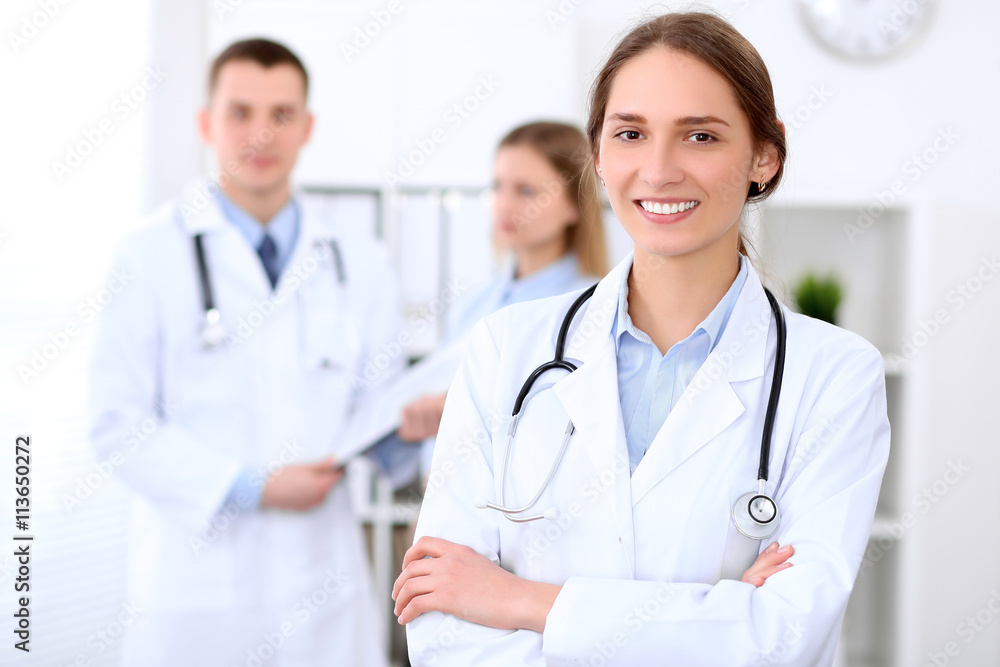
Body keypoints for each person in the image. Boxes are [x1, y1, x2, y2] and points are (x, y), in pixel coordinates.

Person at [393, 12, 890, 666]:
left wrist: (521, 598)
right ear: (598, 155)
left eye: (700, 136)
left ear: (764, 157)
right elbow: (442, 620)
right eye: (630, 133)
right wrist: (714, 618)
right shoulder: (505, 349)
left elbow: (783, 639)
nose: (658, 170)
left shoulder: (835, 375)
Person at [90, 38, 415, 666]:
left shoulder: (358, 259)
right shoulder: (147, 255)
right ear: (206, 123)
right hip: (197, 589)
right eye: (240, 113)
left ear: (308, 126)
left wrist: (413, 427)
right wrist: (249, 487)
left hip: (323, 589)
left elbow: (379, 410)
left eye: (281, 114)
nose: (261, 133)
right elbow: (117, 426)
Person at [398, 121, 609, 448]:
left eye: (526, 191)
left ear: (573, 204)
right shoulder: (474, 303)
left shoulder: (594, 307)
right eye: (498, 187)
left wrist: (465, 416)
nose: (504, 205)